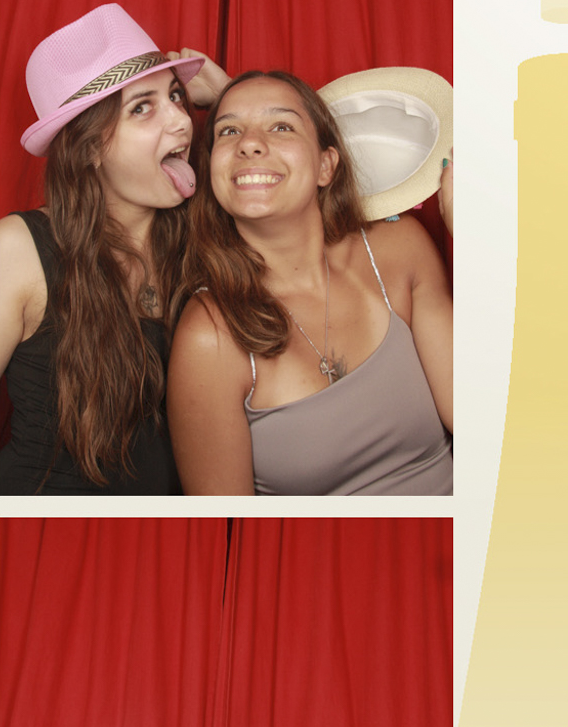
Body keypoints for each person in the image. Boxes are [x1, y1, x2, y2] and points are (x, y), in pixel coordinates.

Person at [168, 70, 453, 495]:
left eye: (281, 126)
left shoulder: (400, 250)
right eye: (229, 131)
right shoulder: (209, 335)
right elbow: (226, 523)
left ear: (326, 165)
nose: (248, 143)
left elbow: (489, 425)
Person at [0, 4, 226, 495]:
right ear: (89, 148)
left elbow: (331, 196)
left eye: (176, 96)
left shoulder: (207, 235)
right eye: (142, 107)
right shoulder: (18, 249)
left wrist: (232, 100)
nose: (181, 121)